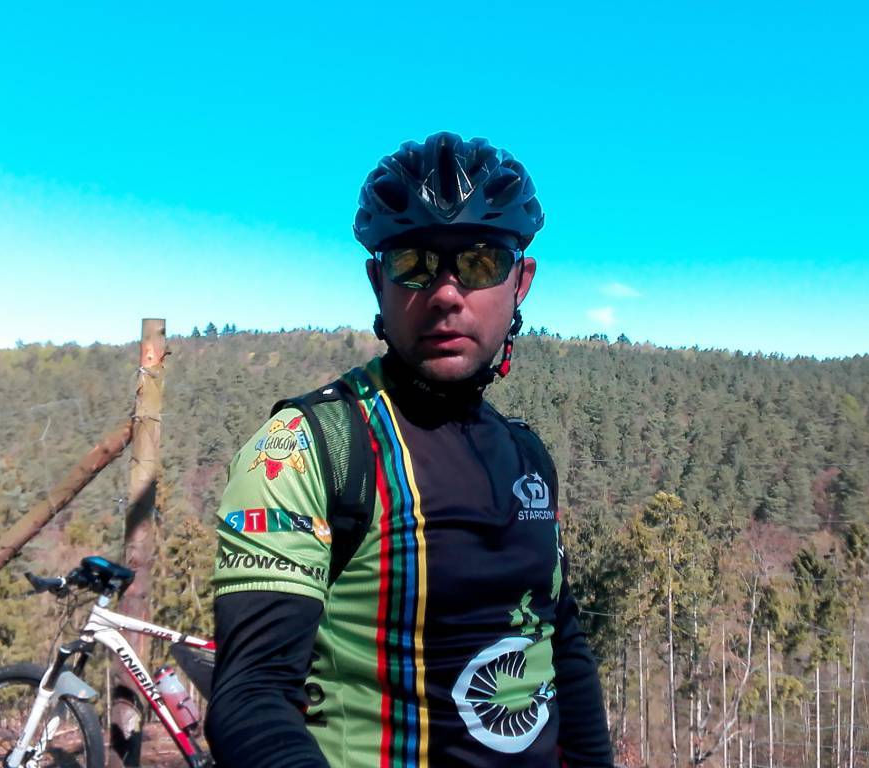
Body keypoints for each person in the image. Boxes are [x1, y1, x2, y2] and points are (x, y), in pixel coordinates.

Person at [205, 131, 612, 767]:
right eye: (414, 262)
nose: (446, 292)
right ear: (378, 281)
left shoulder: (528, 457)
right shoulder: (306, 451)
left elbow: (562, 645)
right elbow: (252, 694)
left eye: (481, 261)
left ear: (521, 282)